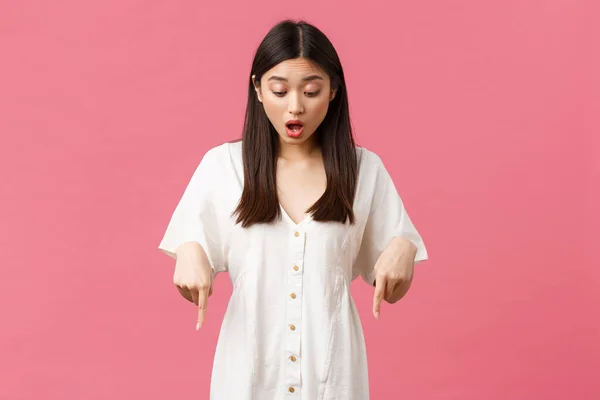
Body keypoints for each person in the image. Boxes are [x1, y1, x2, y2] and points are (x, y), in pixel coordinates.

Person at [158, 19, 428, 400]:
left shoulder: (365, 171)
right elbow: (191, 256)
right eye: (280, 90)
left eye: (312, 90)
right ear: (257, 88)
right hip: (247, 379)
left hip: (333, 381)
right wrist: (188, 251)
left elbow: (394, 290)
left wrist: (404, 245)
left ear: (334, 91)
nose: (295, 107)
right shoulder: (223, 168)